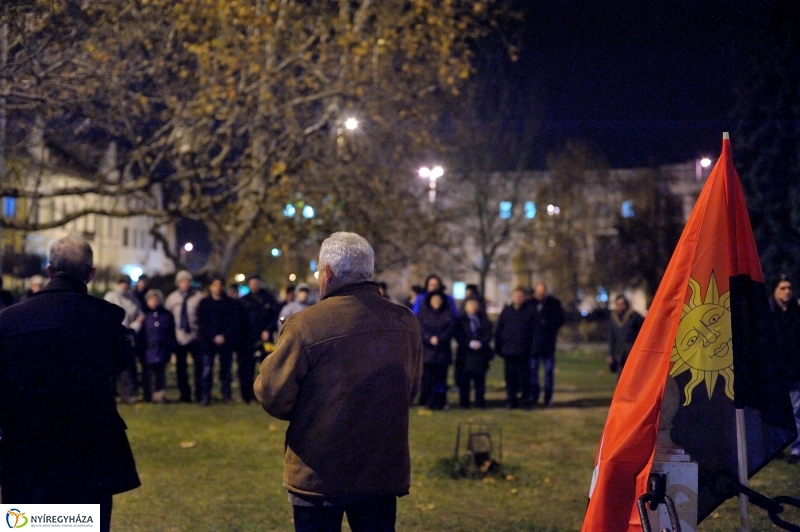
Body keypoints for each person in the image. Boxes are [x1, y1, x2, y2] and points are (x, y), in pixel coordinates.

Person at [254, 232, 422, 532]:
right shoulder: (405, 322)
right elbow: (409, 389)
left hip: (319, 471)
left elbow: (272, 393)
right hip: (381, 469)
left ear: (328, 273)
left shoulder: (306, 324)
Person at [0, 235, 140, 531]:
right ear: (90, 274)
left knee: (27, 527)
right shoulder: (105, 321)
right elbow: (121, 364)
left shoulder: (9, 322)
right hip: (87, 452)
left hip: (26, 451)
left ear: (50, 271)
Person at [196, 274, 243, 405]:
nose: (218, 288)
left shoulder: (230, 304)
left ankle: (226, 395)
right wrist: (212, 336)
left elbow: (233, 322)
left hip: (226, 342)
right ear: (210, 287)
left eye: (220, 285)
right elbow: (202, 323)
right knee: (207, 369)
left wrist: (224, 336)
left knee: (226, 370)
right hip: (208, 342)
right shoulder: (204, 304)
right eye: (215, 285)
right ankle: (206, 395)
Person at [769, 275, 800, 463]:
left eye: (789, 287)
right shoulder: (767, 312)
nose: (787, 291)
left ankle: (797, 449)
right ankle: (777, 447)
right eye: (782, 288)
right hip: (775, 371)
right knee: (776, 412)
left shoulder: (796, 311)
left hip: (794, 370)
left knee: (797, 411)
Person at [164, 270, 205, 403]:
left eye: (187, 281)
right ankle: (184, 395)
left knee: (198, 368)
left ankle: (199, 394)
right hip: (179, 337)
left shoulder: (198, 297)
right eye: (183, 281)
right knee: (181, 368)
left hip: (195, 336)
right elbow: (168, 317)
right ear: (178, 283)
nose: (185, 283)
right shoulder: (172, 298)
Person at [104, 274, 144, 403]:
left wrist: (134, 327)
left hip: (127, 335)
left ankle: (126, 394)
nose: (124, 285)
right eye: (122, 282)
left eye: (126, 283)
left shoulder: (132, 299)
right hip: (113, 335)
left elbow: (139, 315)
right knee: (110, 367)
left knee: (125, 367)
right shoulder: (111, 297)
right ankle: (110, 394)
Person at [239, 275, 280, 396]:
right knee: (247, 367)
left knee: (267, 365)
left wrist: (268, 330)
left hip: (265, 339)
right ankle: (247, 394)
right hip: (248, 339)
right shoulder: (244, 300)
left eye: (256, 283)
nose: (254, 286)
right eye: (252, 284)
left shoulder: (268, 298)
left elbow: (275, 316)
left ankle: (266, 392)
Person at [495, 287, 535, 408]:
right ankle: (511, 400)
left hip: (524, 350)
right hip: (509, 350)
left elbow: (535, 332)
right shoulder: (506, 311)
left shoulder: (530, 312)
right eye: (516, 296)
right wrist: (499, 347)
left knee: (524, 378)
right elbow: (499, 330)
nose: (518, 298)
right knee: (510, 377)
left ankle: (525, 400)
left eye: (520, 296)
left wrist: (533, 348)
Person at [417, 290, 457, 410]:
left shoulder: (447, 313)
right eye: (434, 300)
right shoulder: (424, 314)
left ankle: (440, 401)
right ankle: (428, 401)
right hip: (428, 353)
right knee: (428, 379)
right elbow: (420, 329)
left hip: (442, 352)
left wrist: (440, 338)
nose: (437, 302)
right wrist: (429, 338)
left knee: (441, 380)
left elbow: (450, 329)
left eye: (439, 300)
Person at [454, 297, 494, 408]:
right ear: (466, 308)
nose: (473, 308)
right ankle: (464, 403)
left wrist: (481, 343)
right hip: (465, 354)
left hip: (480, 354)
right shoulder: (460, 321)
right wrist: (469, 343)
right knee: (464, 381)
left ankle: (480, 402)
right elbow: (459, 336)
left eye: (475, 306)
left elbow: (488, 333)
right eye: (470, 306)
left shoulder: (483, 320)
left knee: (480, 381)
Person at [139, 289, 176, 403]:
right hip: (147, 350)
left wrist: (171, 349)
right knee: (147, 374)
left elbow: (171, 333)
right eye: (151, 300)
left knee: (160, 374)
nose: (154, 302)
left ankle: (159, 395)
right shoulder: (143, 315)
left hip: (162, 350)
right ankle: (147, 395)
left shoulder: (166, 315)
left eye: (156, 299)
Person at [529, 283, 564, 406]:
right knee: (533, 373)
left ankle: (548, 397)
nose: (540, 293)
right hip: (533, 345)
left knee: (548, 373)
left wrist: (548, 324)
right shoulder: (530, 304)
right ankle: (534, 396)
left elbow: (560, 319)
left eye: (542, 291)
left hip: (548, 344)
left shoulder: (554, 303)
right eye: (538, 291)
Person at [607, 294, 644, 375]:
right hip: (619, 352)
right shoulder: (613, 318)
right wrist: (610, 354)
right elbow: (611, 337)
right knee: (620, 376)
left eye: (622, 305)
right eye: (618, 305)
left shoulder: (634, 316)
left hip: (632, 350)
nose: (620, 307)